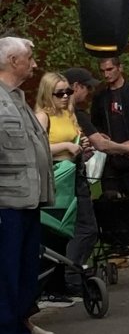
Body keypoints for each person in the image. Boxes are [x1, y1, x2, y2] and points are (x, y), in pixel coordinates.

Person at [0, 36, 55, 334]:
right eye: (30, 59)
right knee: (5, 277)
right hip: (6, 205)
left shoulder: (17, 99)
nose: (35, 64)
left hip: (28, 203)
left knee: (23, 276)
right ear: (12, 61)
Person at [30, 72, 83, 315]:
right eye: (59, 93)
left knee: (65, 232)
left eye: (68, 92)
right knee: (51, 230)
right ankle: (48, 289)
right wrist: (65, 146)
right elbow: (38, 150)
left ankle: (60, 286)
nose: (64, 97)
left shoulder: (69, 114)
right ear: (47, 94)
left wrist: (81, 148)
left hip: (72, 174)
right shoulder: (43, 117)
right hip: (53, 177)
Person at [88, 52, 129, 255]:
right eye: (103, 71)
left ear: (119, 68)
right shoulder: (100, 97)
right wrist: (102, 137)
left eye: (110, 69)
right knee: (110, 199)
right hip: (111, 157)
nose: (106, 74)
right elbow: (94, 125)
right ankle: (116, 241)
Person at [61, 67, 100, 291]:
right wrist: (127, 147)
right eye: (86, 87)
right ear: (76, 87)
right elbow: (101, 144)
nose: (89, 92)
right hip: (73, 178)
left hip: (72, 174)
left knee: (72, 228)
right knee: (86, 229)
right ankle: (73, 276)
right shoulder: (76, 115)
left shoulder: (64, 116)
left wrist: (81, 149)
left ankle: (70, 274)